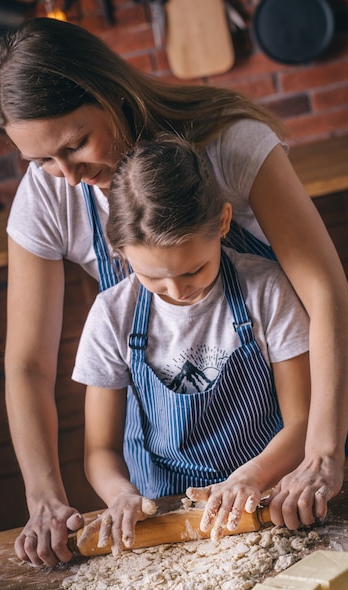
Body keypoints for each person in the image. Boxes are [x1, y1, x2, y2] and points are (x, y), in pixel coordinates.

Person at [0, 16, 348, 568]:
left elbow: (328, 296)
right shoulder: (51, 194)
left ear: (109, 91)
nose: (64, 174)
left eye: (77, 143)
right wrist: (44, 497)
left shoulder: (229, 142)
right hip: (165, 487)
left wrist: (321, 453)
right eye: (40, 160)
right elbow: (29, 365)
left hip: (287, 462)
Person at [73, 134, 311, 555]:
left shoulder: (266, 290)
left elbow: (303, 420)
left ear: (222, 222)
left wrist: (253, 476)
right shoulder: (112, 315)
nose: (175, 291)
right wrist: (120, 495)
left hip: (266, 501)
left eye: (194, 270)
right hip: (166, 516)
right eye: (152, 277)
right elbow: (100, 449)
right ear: (121, 251)